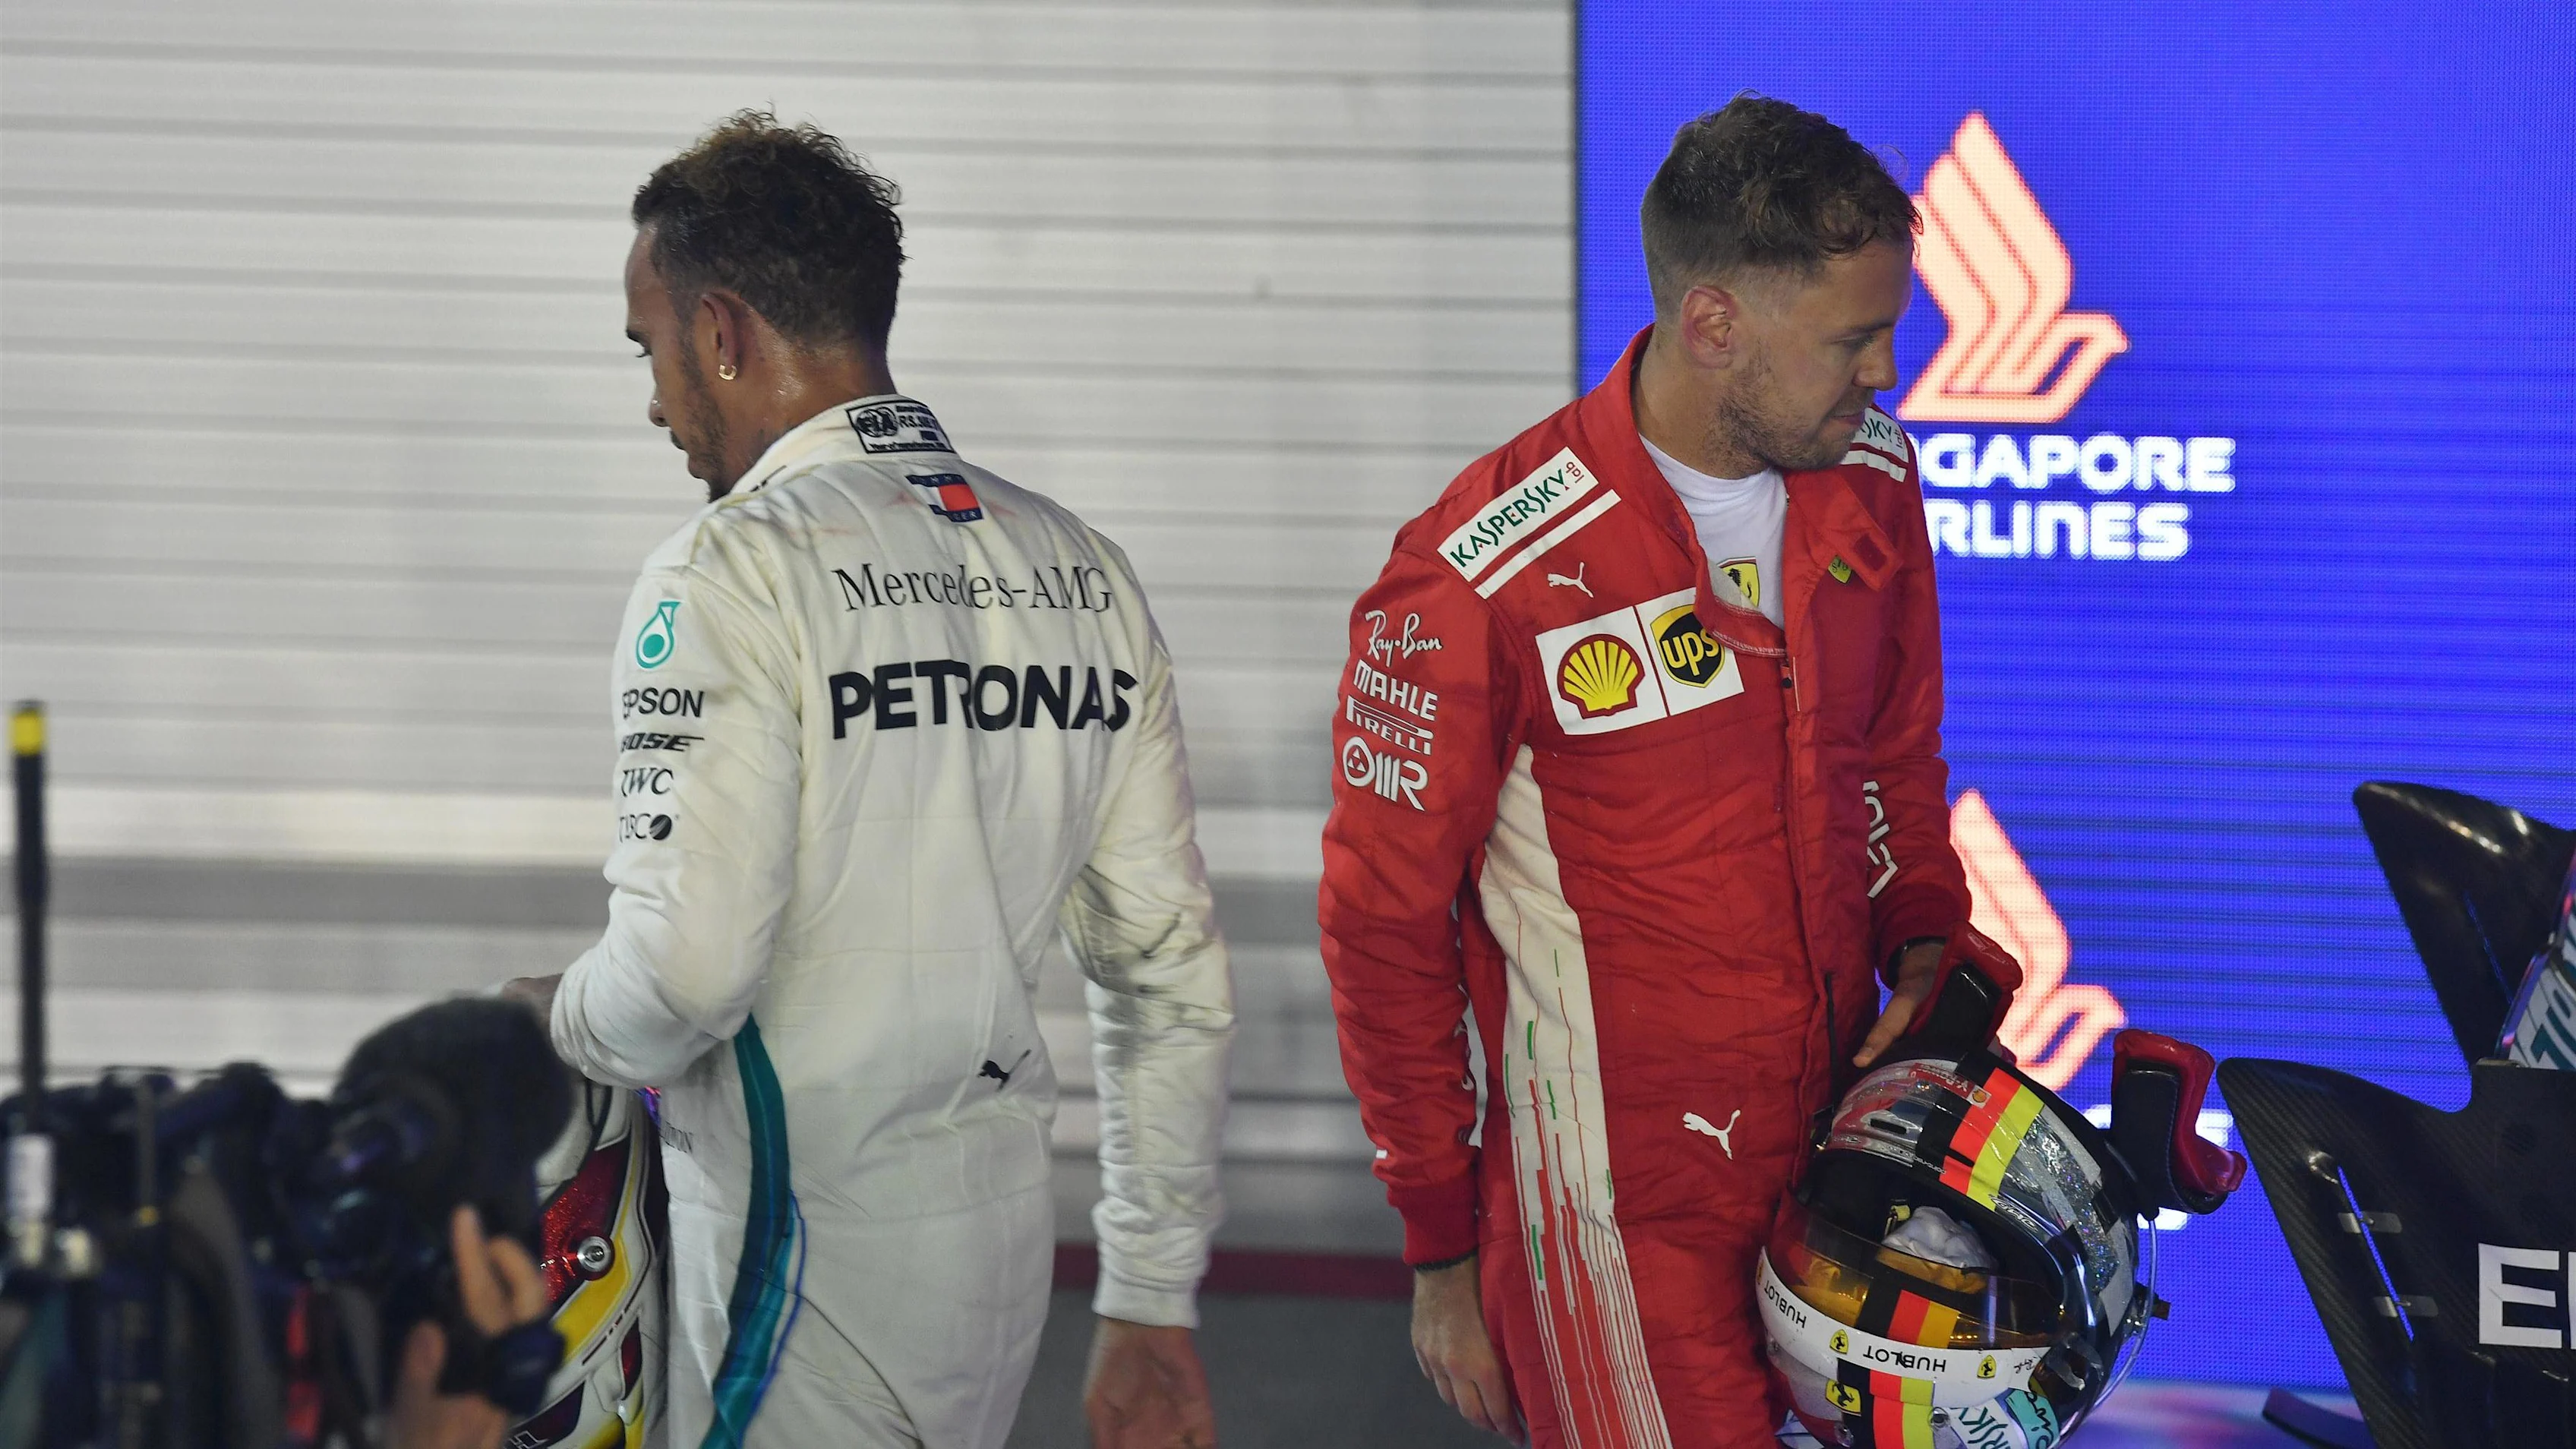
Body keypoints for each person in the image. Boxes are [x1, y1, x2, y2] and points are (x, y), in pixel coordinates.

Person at [501, 111, 1233, 1449]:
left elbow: (683, 981)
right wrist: (1147, 1290)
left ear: (721, 330)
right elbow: (1166, 973)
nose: (656, 401)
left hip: (798, 1267)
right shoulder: (1082, 568)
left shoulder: (727, 570)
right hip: (996, 1268)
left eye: (650, 349)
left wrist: (554, 1020)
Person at [1318, 96, 2005, 1448]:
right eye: (1854, 339)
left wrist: (1923, 933)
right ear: (1714, 324)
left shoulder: (1871, 475)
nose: (1886, 374)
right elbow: (1379, 925)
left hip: (1834, 1164)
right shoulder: (1479, 573)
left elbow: (1890, 755)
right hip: (1617, 1213)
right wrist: (1441, 1247)